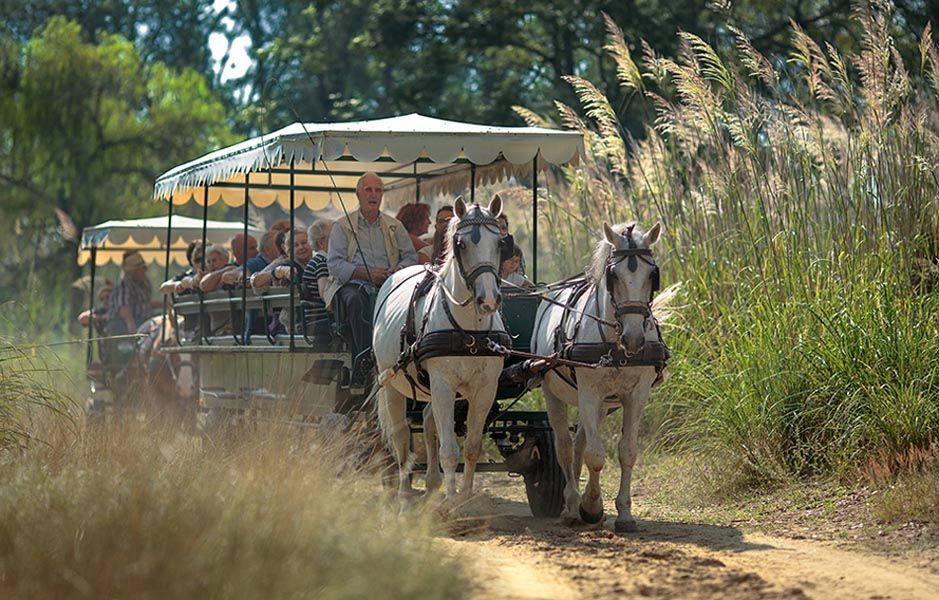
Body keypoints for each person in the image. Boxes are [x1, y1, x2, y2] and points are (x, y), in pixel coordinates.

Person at [326, 173, 418, 385]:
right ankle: (365, 361)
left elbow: (411, 258)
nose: (373, 195)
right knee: (357, 300)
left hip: (391, 284)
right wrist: (367, 273)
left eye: (378, 190)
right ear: (358, 194)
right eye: (368, 190)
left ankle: (406, 361)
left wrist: (398, 270)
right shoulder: (342, 226)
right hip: (354, 285)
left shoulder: (395, 226)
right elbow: (335, 265)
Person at [106, 250, 153, 336]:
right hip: (123, 325)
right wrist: (131, 326)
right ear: (134, 270)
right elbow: (124, 307)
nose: (145, 270)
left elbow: (145, 303)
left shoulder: (142, 285)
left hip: (142, 321)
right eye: (143, 268)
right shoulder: (125, 285)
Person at [302, 219, 332, 336]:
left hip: (317, 320)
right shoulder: (322, 262)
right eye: (334, 237)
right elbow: (324, 293)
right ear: (321, 243)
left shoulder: (317, 260)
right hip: (320, 321)